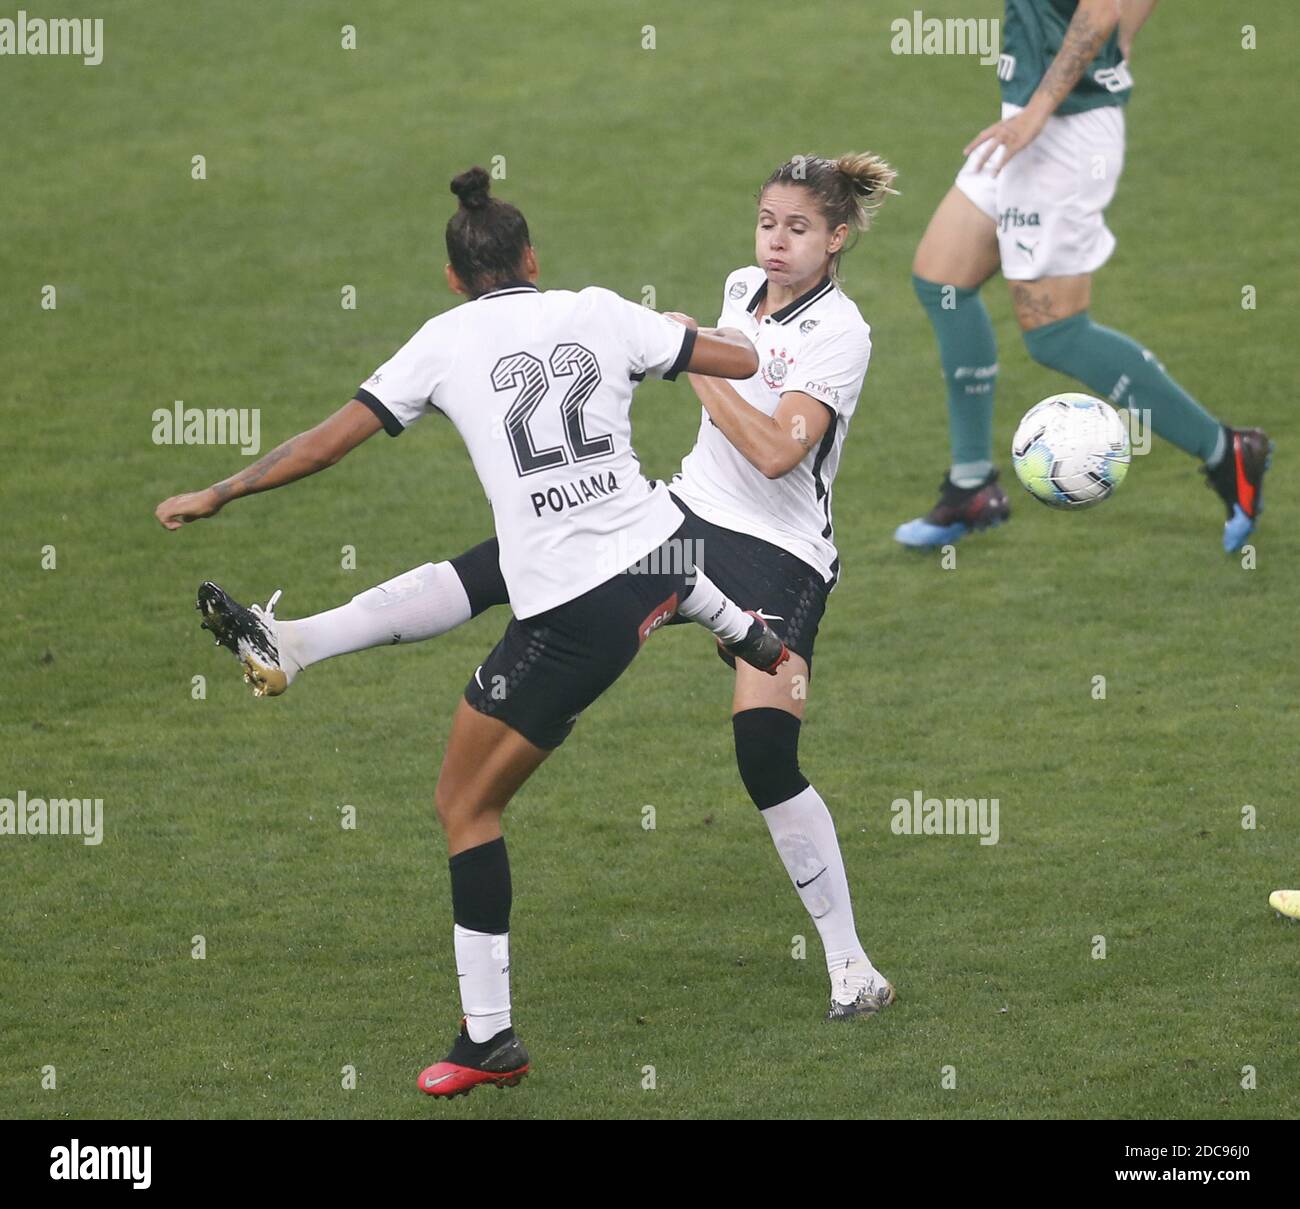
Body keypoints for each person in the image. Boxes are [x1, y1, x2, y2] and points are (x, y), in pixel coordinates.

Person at [192, 153, 902, 1035]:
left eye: (798, 230)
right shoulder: (738, 288)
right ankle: (296, 640)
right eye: (767, 222)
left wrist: (694, 366)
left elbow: (775, 452)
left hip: (781, 551)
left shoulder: (844, 333)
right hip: (680, 514)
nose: (776, 243)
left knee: (764, 752)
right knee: (507, 559)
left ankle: (850, 966)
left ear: (837, 239)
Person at [895, 0, 1271, 553]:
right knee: (942, 280)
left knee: (1056, 331)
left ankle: (1226, 451)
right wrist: (1118, 45)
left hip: (1061, 137)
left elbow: (1098, 8)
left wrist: (1038, 112)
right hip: (1030, 121)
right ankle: (972, 487)